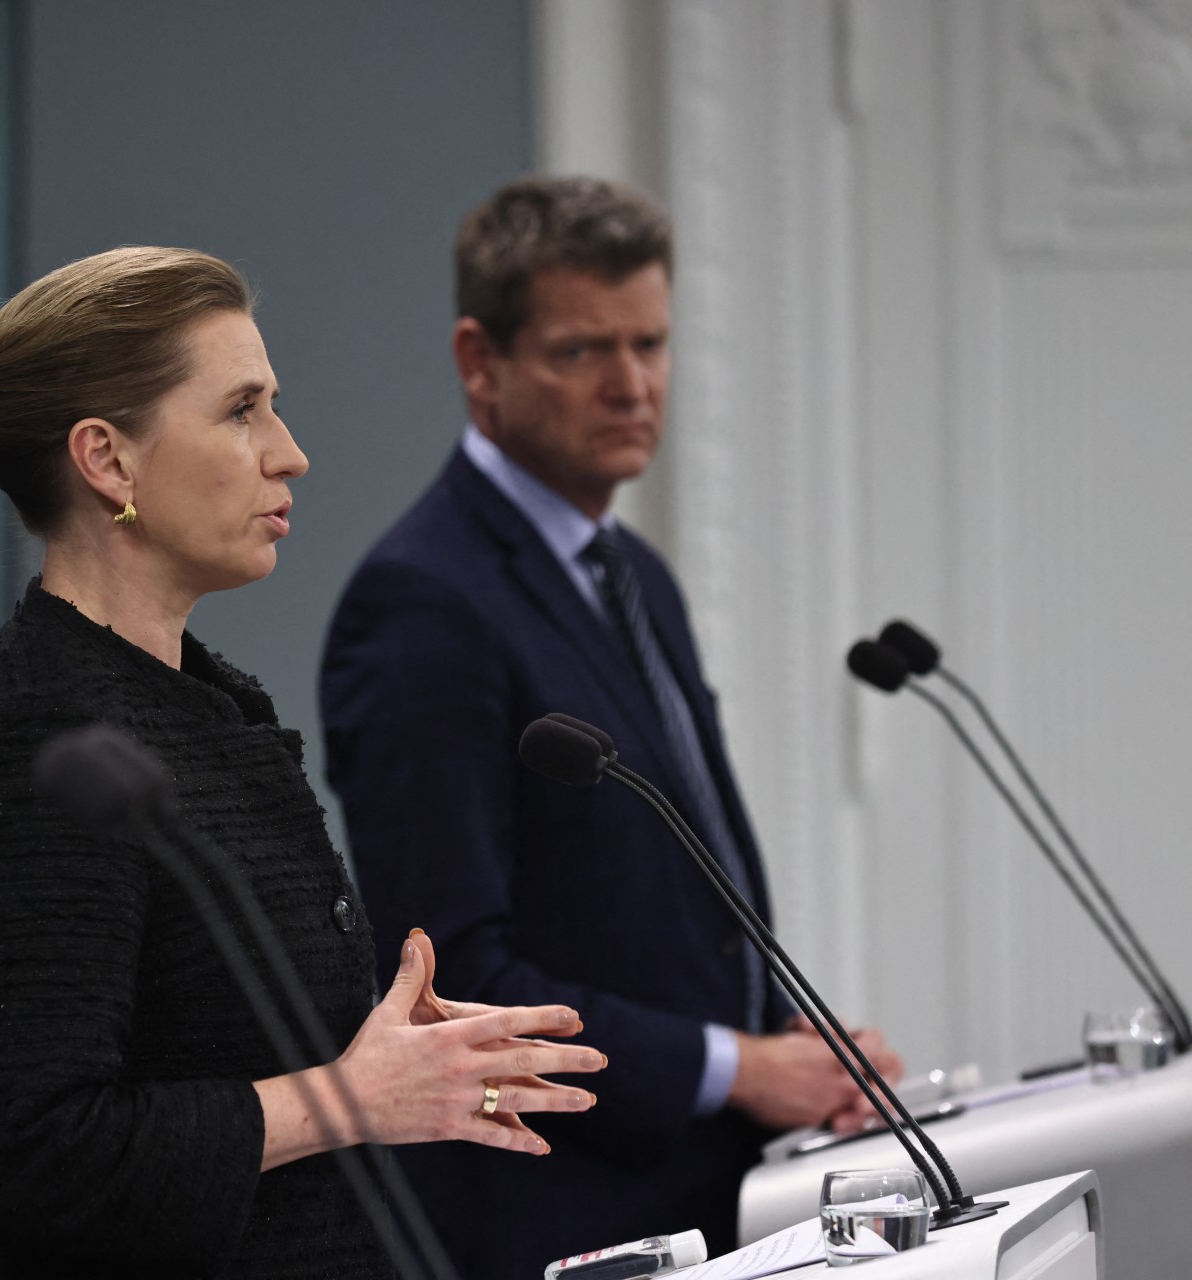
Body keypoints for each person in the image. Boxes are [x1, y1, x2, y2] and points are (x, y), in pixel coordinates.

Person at [0, 245, 608, 1279]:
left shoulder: (197, 697)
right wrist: (351, 1097)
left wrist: (389, 1049)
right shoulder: (36, 743)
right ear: (107, 461)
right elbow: (33, 1150)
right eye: (241, 411)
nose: (291, 454)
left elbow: (195, 1042)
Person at [319, 177, 902, 1273]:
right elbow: (450, 977)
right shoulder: (422, 603)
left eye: (651, 343)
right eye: (583, 350)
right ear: (480, 361)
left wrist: (786, 1051)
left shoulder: (633, 572)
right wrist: (734, 1068)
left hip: (700, 1187)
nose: (632, 384)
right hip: (553, 1215)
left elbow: (673, 896)